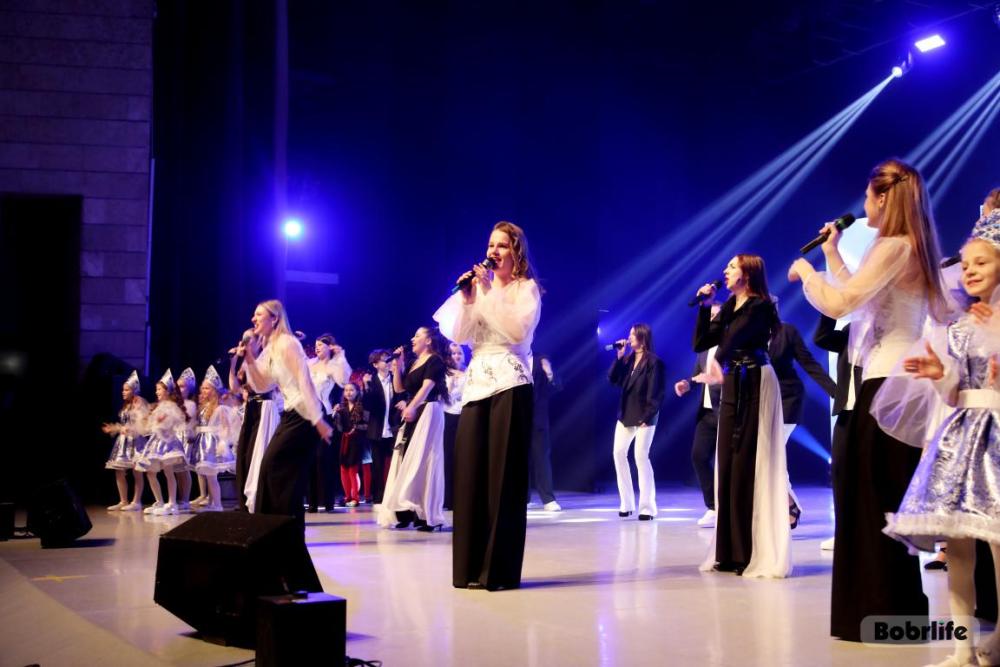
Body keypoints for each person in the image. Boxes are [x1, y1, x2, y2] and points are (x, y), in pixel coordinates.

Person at [788, 158, 950, 640]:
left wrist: (807, 272)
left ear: (883, 197)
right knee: (874, 498)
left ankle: (881, 611)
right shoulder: (909, 246)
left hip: (884, 385)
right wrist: (832, 254)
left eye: (867, 196)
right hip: (888, 383)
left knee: (871, 500)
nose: (862, 204)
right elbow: (859, 293)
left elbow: (841, 303)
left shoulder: (895, 246)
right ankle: (887, 609)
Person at [878, 216, 1000, 667]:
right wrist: (939, 376)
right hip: (962, 439)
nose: (969, 271)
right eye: (965, 265)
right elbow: (956, 392)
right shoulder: (958, 328)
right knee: (958, 548)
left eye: (981, 262)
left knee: (998, 546)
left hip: (997, 439)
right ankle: (962, 647)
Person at [434, 221, 541, 591]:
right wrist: (468, 299)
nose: (494, 251)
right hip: (477, 385)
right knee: (470, 476)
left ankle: (497, 571)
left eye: (502, 245)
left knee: (502, 479)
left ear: (516, 252)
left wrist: (488, 292)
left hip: (511, 382)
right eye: (491, 245)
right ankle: (468, 567)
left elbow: (516, 331)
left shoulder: (525, 289)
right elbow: (460, 335)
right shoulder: (478, 289)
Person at [694, 254, 789, 578]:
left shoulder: (760, 305)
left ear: (747, 274)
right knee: (727, 463)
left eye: (732, 267)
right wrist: (706, 307)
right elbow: (701, 342)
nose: (725, 271)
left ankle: (748, 551)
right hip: (733, 382)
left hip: (755, 380)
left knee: (748, 462)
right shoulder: (730, 307)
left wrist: (716, 361)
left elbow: (735, 337)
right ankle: (728, 552)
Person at [239, 300, 333, 525]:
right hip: (292, 414)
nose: (253, 319)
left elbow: (304, 381)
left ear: (274, 319)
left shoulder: (287, 343)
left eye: (258, 315)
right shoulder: (271, 348)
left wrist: (318, 420)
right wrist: (249, 358)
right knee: (274, 472)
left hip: (305, 415)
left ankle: (283, 530)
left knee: (275, 469)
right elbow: (262, 385)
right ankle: (279, 531)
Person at [376, 326, 450, 530]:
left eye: (417, 335)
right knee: (405, 459)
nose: (412, 339)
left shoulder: (434, 360)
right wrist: (397, 366)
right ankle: (407, 513)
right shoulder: (413, 362)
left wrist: (412, 407)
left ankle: (428, 516)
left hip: (428, 411)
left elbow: (426, 388)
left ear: (429, 341)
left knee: (424, 461)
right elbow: (400, 388)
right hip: (415, 410)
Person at [768, 316, 837, 528]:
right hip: (760, 401)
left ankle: (788, 505)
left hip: (787, 398)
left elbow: (808, 362)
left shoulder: (787, 331)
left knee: (772, 453)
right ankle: (787, 504)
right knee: (768, 455)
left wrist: (835, 391)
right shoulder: (749, 332)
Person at [812, 316, 861, 552]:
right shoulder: (851, 329)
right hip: (845, 410)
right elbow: (821, 338)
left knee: (868, 474)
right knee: (840, 470)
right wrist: (829, 310)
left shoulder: (884, 329)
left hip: (872, 411)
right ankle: (844, 531)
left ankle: (871, 533)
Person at [608, 324, 665, 521]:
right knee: (618, 453)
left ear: (642, 337)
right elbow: (612, 379)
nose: (629, 337)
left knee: (640, 456)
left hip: (645, 415)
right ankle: (627, 503)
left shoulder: (654, 362)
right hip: (626, 413)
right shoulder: (628, 359)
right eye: (630, 334)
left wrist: (647, 417)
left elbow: (656, 393)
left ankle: (647, 507)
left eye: (633, 334)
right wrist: (619, 356)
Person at [675, 301, 722, 528]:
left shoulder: (730, 345)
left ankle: (733, 508)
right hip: (706, 413)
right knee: (699, 456)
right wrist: (687, 384)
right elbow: (696, 375)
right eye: (709, 316)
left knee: (728, 463)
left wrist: (717, 379)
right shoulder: (704, 347)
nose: (711, 319)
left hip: (726, 410)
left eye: (715, 316)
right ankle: (713, 507)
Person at [134, 370, 188, 515]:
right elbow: (148, 429)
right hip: (156, 442)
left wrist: (163, 421)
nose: (156, 392)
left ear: (167, 391)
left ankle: (172, 503)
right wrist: (142, 416)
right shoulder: (158, 406)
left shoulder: (171, 406)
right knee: (150, 472)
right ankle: (159, 501)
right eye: (156, 389)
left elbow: (176, 421)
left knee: (168, 472)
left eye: (159, 389)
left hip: (167, 442)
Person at [308, 334, 350, 512]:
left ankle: (328, 500)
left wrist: (341, 356)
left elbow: (344, 380)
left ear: (329, 347)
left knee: (323, 458)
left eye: (321, 345)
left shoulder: (334, 365)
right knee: (309, 458)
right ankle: (312, 502)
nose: (317, 347)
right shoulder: (309, 364)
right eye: (316, 344)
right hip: (307, 414)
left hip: (324, 414)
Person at [190, 366, 239, 511]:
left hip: (211, 443)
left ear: (214, 390)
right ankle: (212, 503)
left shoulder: (220, 407)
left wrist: (223, 442)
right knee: (207, 474)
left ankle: (217, 505)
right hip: (203, 442)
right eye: (203, 388)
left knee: (211, 476)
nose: (203, 391)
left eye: (207, 388)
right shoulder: (203, 406)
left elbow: (226, 426)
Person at [102, 370, 148, 511]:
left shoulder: (139, 402)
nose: (123, 392)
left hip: (135, 441)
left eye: (126, 390)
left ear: (134, 390)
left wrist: (128, 428)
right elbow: (125, 424)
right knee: (119, 470)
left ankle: (136, 501)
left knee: (136, 471)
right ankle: (123, 500)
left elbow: (141, 423)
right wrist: (114, 428)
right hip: (123, 442)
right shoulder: (126, 405)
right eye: (123, 389)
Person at [362, 349, 403, 504]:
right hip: (377, 429)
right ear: (375, 364)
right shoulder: (371, 382)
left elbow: (403, 394)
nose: (388, 362)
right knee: (377, 465)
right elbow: (368, 406)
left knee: (396, 463)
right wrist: (366, 386)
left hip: (394, 427)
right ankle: (378, 496)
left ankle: (395, 495)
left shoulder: (396, 379)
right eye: (384, 359)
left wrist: (404, 401)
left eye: (389, 358)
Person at [528, 354, 561, 511]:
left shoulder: (540, 360)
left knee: (542, 458)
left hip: (538, 418)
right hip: (516, 416)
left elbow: (556, 387)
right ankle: (522, 498)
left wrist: (549, 373)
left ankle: (548, 499)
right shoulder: (512, 357)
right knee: (518, 460)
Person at [333, 382, 368, 507]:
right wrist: (336, 414)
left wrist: (356, 428)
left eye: (351, 390)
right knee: (343, 469)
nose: (348, 392)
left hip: (357, 441)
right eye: (346, 390)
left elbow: (367, 425)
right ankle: (347, 496)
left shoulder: (362, 407)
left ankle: (355, 498)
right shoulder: (342, 407)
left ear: (357, 392)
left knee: (353, 470)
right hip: (345, 440)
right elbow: (339, 428)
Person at [442, 343, 467, 510]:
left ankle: (463, 497)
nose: (456, 356)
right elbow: (445, 396)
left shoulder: (469, 371)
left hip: (464, 415)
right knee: (448, 456)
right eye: (453, 353)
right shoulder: (445, 373)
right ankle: (448, 498)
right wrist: (451, 383)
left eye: (459, 353)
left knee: (463, 457)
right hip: (447, 415)